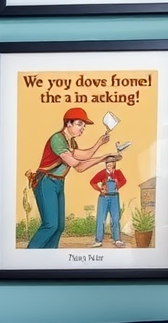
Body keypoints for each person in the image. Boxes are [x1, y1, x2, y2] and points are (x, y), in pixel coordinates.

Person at [26, 107, 109, 250]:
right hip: (46, 182)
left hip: (58, 183)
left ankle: (49, 260)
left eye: (84, 125)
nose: (83, 128)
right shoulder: (57, 139)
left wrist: (100, 146)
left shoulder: (71, 143)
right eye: (79, 124)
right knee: (51, 225)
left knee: (59, 227)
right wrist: (102, 158)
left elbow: (83, 160)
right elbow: (76, 164)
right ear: (68, 124)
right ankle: (28, 257)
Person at [89, 153, 128, 247]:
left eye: (111, 163)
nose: (109, 164)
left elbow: (124, 181)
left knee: (115, 218)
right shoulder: (102, 173)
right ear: (105, 164)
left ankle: (117, 239)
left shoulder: (118, 173)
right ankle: (98, 240)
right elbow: (92, 182)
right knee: (101, 219)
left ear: (114, 163)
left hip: (114, 197)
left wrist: (117, 184)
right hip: (104, 198)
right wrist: (100, 189)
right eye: (107, 163)